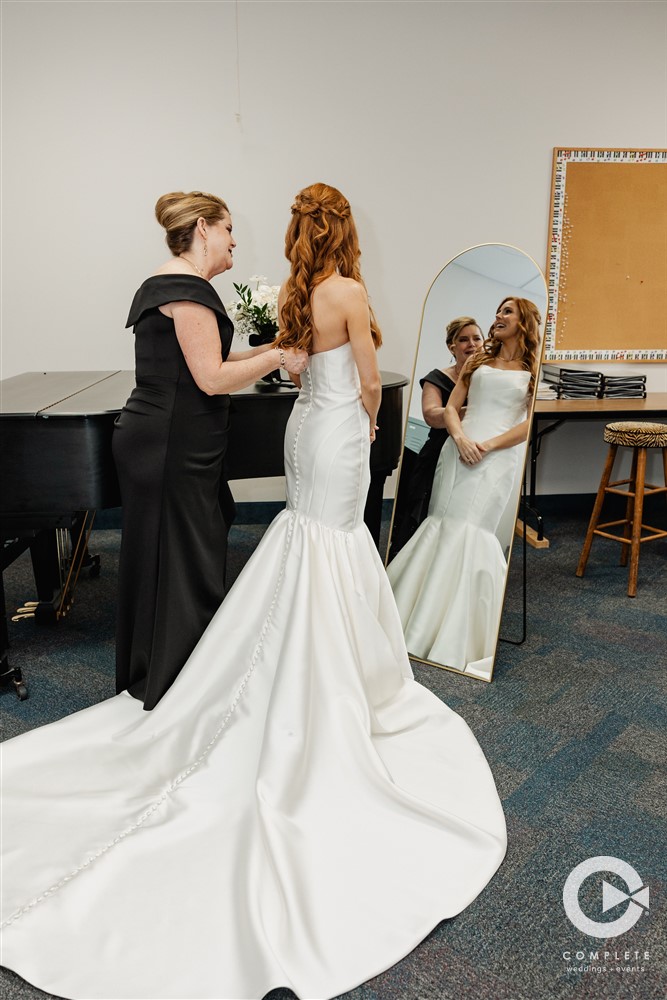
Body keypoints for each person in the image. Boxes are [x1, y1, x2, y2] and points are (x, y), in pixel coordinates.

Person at [0, 185, 506, 1000]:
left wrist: (315, 384)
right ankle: (336, 676)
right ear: (344, 230)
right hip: (335, 429)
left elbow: (294, 363)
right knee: (334, 543)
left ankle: (240, 661)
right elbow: (370, 382)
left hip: (309, 430)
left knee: (304, 541)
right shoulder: (338, 290)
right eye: (226, 229)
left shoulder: (303, 292)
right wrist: (372, 424)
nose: (236, 238)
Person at [112, 190, 308, 709]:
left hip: (166, 437)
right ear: (203, 229)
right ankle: (176, 682)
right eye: (227, 230)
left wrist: (271, 348)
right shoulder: (188, 289)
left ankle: (157, 671)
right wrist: (278, 359)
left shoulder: (169, 284)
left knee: (168, 555)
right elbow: (213, 377)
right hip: (173, 443)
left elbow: (209, 359)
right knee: (181, 559)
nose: (233, 240)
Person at [387, 297, 541, 678]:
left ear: (524, 321)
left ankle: (454, 631)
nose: (498, 317)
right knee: (441, 522)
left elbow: (528, 424)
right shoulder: (477, 361)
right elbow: (452, 408)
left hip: (497, 457)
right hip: (458, 453)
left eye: (507, 311)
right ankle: (409, 618)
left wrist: (486, 445)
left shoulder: (533, 368)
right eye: (498, 311)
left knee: (471, 531)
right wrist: (460, 440)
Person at [388, 317, 484, 558]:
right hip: (440, 451)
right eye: (463, 340)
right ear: (451, 347)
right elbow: (431, 415)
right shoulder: (437, 377)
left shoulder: (489, 377)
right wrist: (469, 412)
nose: (471, 344)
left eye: (476, 338)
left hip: (478, 451)